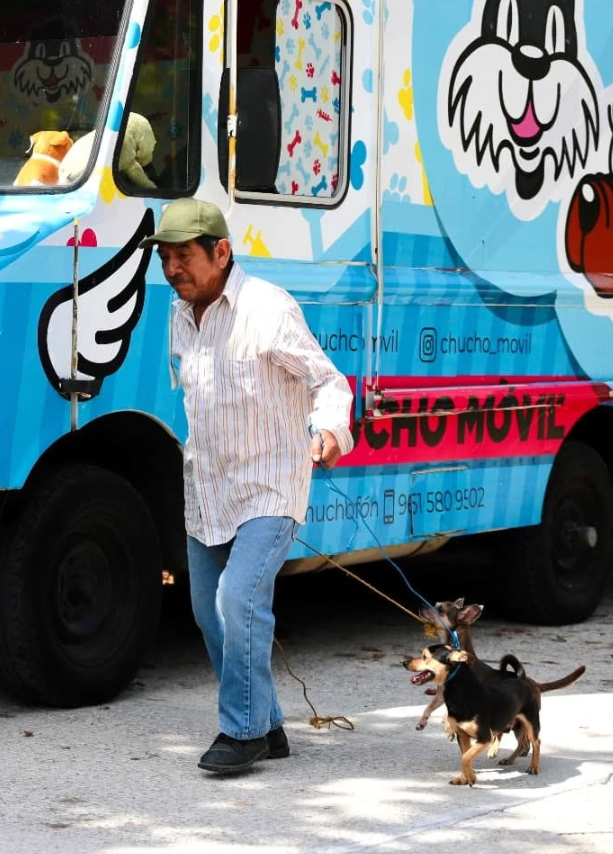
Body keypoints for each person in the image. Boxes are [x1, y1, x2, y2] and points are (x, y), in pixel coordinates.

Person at [142, 198, 355, 774]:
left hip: (269, 485)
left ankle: (242, 733)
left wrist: (330, 428)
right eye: (165, 259)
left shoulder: (268, 308)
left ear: (221, 251)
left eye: (184, 257)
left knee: (238, 599)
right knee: (207, 612)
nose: (172, 270)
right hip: (208, 488)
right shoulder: (179, 313)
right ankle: (269, 723)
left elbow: (327, 380)